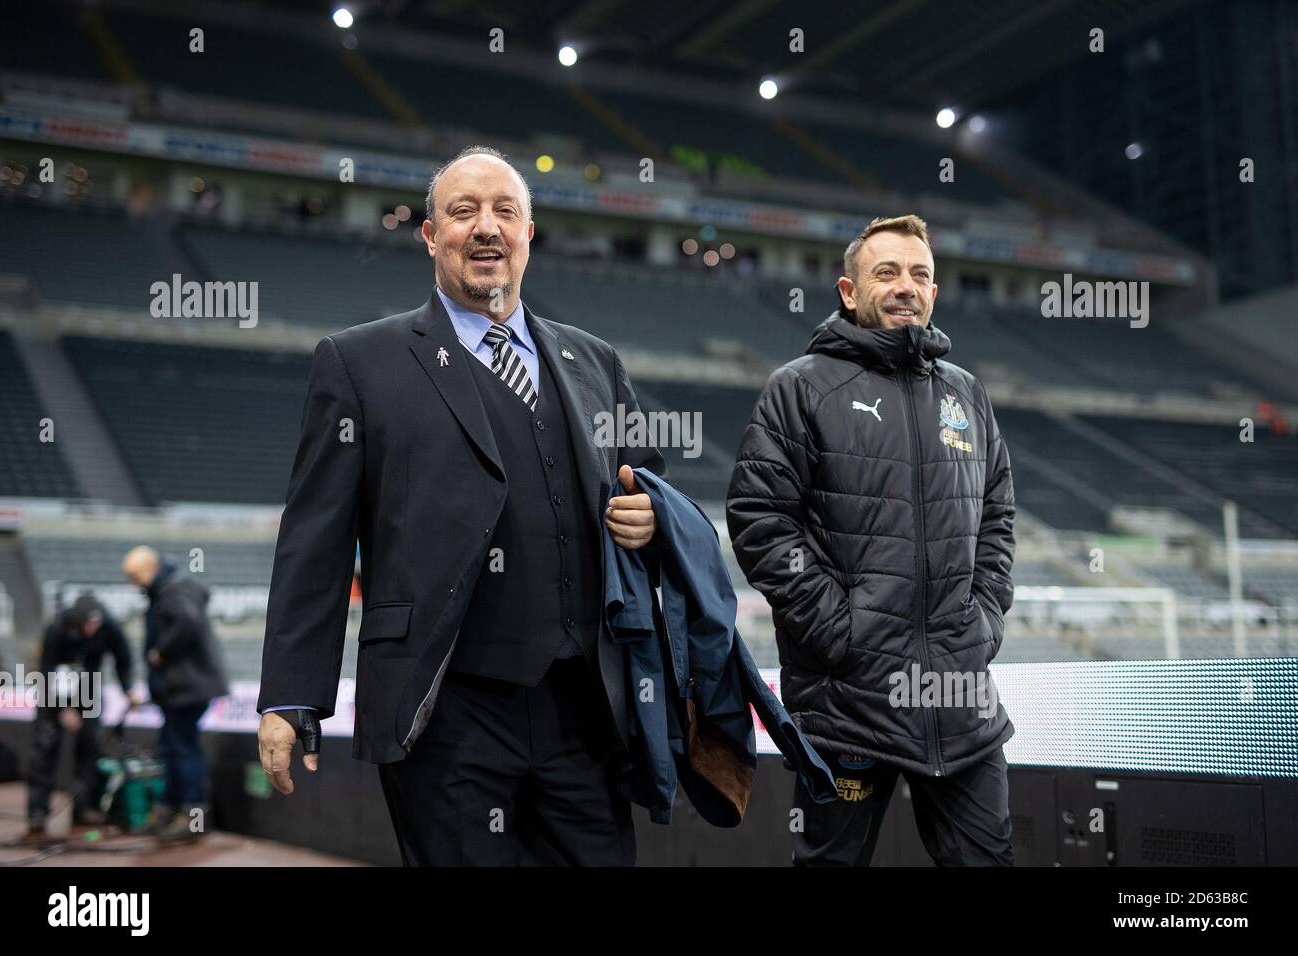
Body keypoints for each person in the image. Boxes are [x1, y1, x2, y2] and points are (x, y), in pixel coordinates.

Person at [256, 146, 666, 866]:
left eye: (505, 211)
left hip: (585, 711)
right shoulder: (359, 362)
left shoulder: (595, 362)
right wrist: (292, 695)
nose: (486, 227)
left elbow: (647, 487)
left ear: (528, 234)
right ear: (429, 235)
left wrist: (652, 518)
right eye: (463, 212)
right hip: (445, 710)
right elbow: (316, 542)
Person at [726, 214, 1017, 866]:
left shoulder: (967, 395)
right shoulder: (799, 388)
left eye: (919, 274)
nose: (905, 286)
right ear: (849, 291)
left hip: (960, 701)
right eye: (886, 272)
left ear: (935, 294)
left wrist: (985, 619)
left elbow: (997, 517)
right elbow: (760, 519)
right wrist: (840, 631)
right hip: (847, 704)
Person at [121, 546, 229, 843]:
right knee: (172, 747)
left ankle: (193, 818)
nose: (133, 582)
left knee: (183, 748)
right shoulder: (166, 590)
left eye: (134, 575)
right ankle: (167, 810)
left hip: (188, 688)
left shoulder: (175, 588)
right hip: (178, 690)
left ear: (151, 566)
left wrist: (160, 652)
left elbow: (188, 621)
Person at [25, 594, 140, 839]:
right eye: (88, 625)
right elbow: (47, 671)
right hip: (55, 690)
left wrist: (128, 689)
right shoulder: (57, 629)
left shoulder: (109, 626)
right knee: (44, 750)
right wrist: (61, 709)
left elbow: (123, 659)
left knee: (90, 750)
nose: (92, 629)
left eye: (95, 625)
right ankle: (37, 811)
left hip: (88, 688)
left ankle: (83, 808)